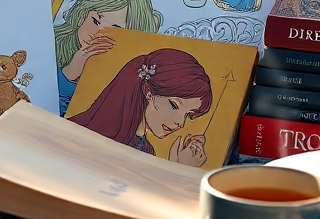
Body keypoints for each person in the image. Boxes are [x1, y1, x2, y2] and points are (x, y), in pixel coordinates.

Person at [68, 47, 212, 166]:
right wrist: (177, 170)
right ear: (149, 93)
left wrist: (174, 164)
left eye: (188, 114)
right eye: (174, 105)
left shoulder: (147, 150)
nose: (180, 123)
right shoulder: (79, 132)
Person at [54, 0, 162, 115]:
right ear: (82, 15)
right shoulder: (53, 42)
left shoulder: (132, 77)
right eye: (95, 21)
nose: (96, 34)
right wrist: (68, 74)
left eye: (113, 31)